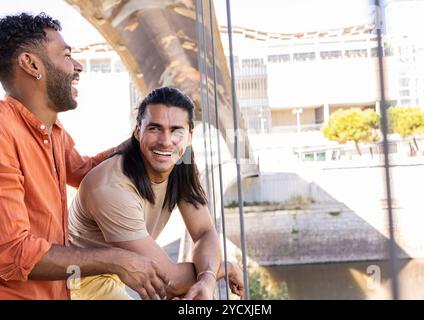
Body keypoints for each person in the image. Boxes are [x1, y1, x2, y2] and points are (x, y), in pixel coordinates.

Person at [0, 12, 169, 300]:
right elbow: (13, 251)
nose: (77, 66)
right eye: (66, 55)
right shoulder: (3, 131)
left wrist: (147, 140)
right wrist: (117, 259)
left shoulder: (53, 132)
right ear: (31, 64)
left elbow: (84, 170)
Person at [69, 87, 244, 300]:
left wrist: (207, 277)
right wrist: (224, 268)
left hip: (117, 276)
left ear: (189, 136)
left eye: (176, 131)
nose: (166, 141)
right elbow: (168, 281)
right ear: (137, 131)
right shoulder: (111, 186)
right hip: (79, 283)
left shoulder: (181, 161)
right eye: (154, 128)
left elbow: (204, 231)